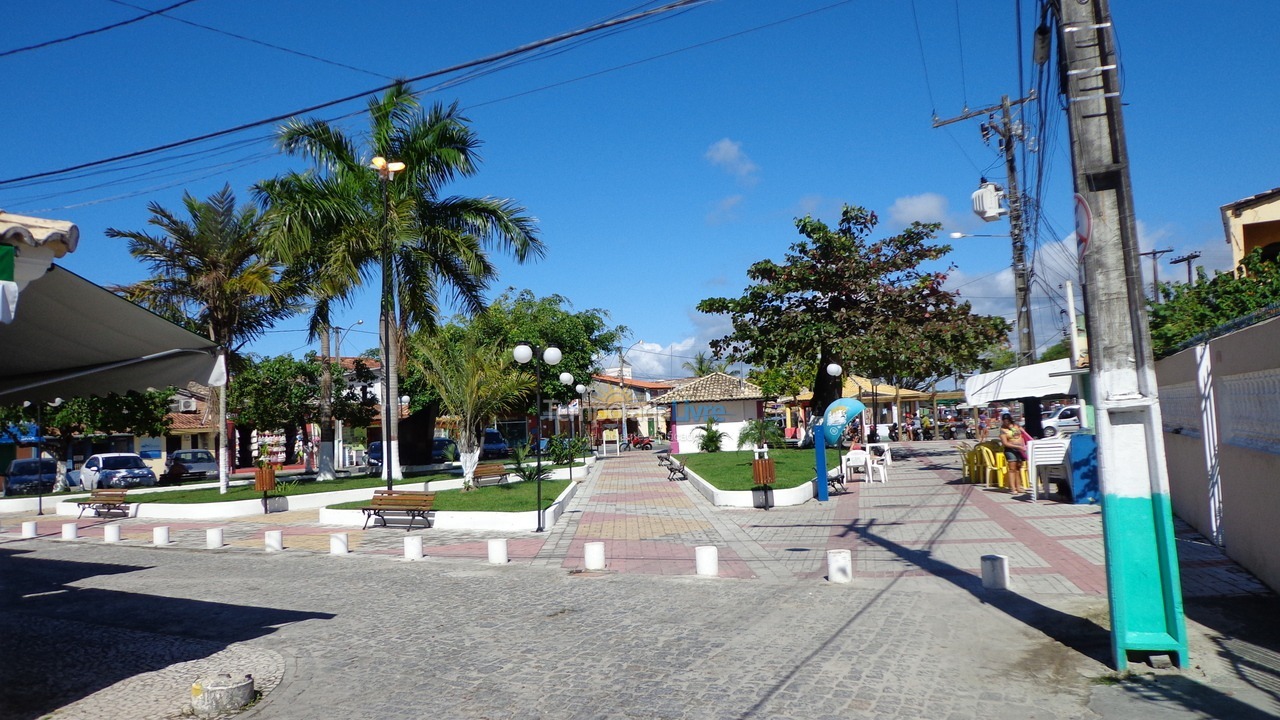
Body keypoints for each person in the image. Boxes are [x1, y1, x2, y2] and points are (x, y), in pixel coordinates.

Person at [999, 413, 1027, 496]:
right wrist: (1016, 446)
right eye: (1004, 421)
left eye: (1008, 421)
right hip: (1010, 450)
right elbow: (1005, 443)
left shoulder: (1016, 426)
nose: (1006, 423)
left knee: (1018, 468)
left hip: (1020, 449)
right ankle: (1013, 488)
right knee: (1012, 468)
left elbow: (1024, 433)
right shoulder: (1003, 430)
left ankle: (1018, 486)